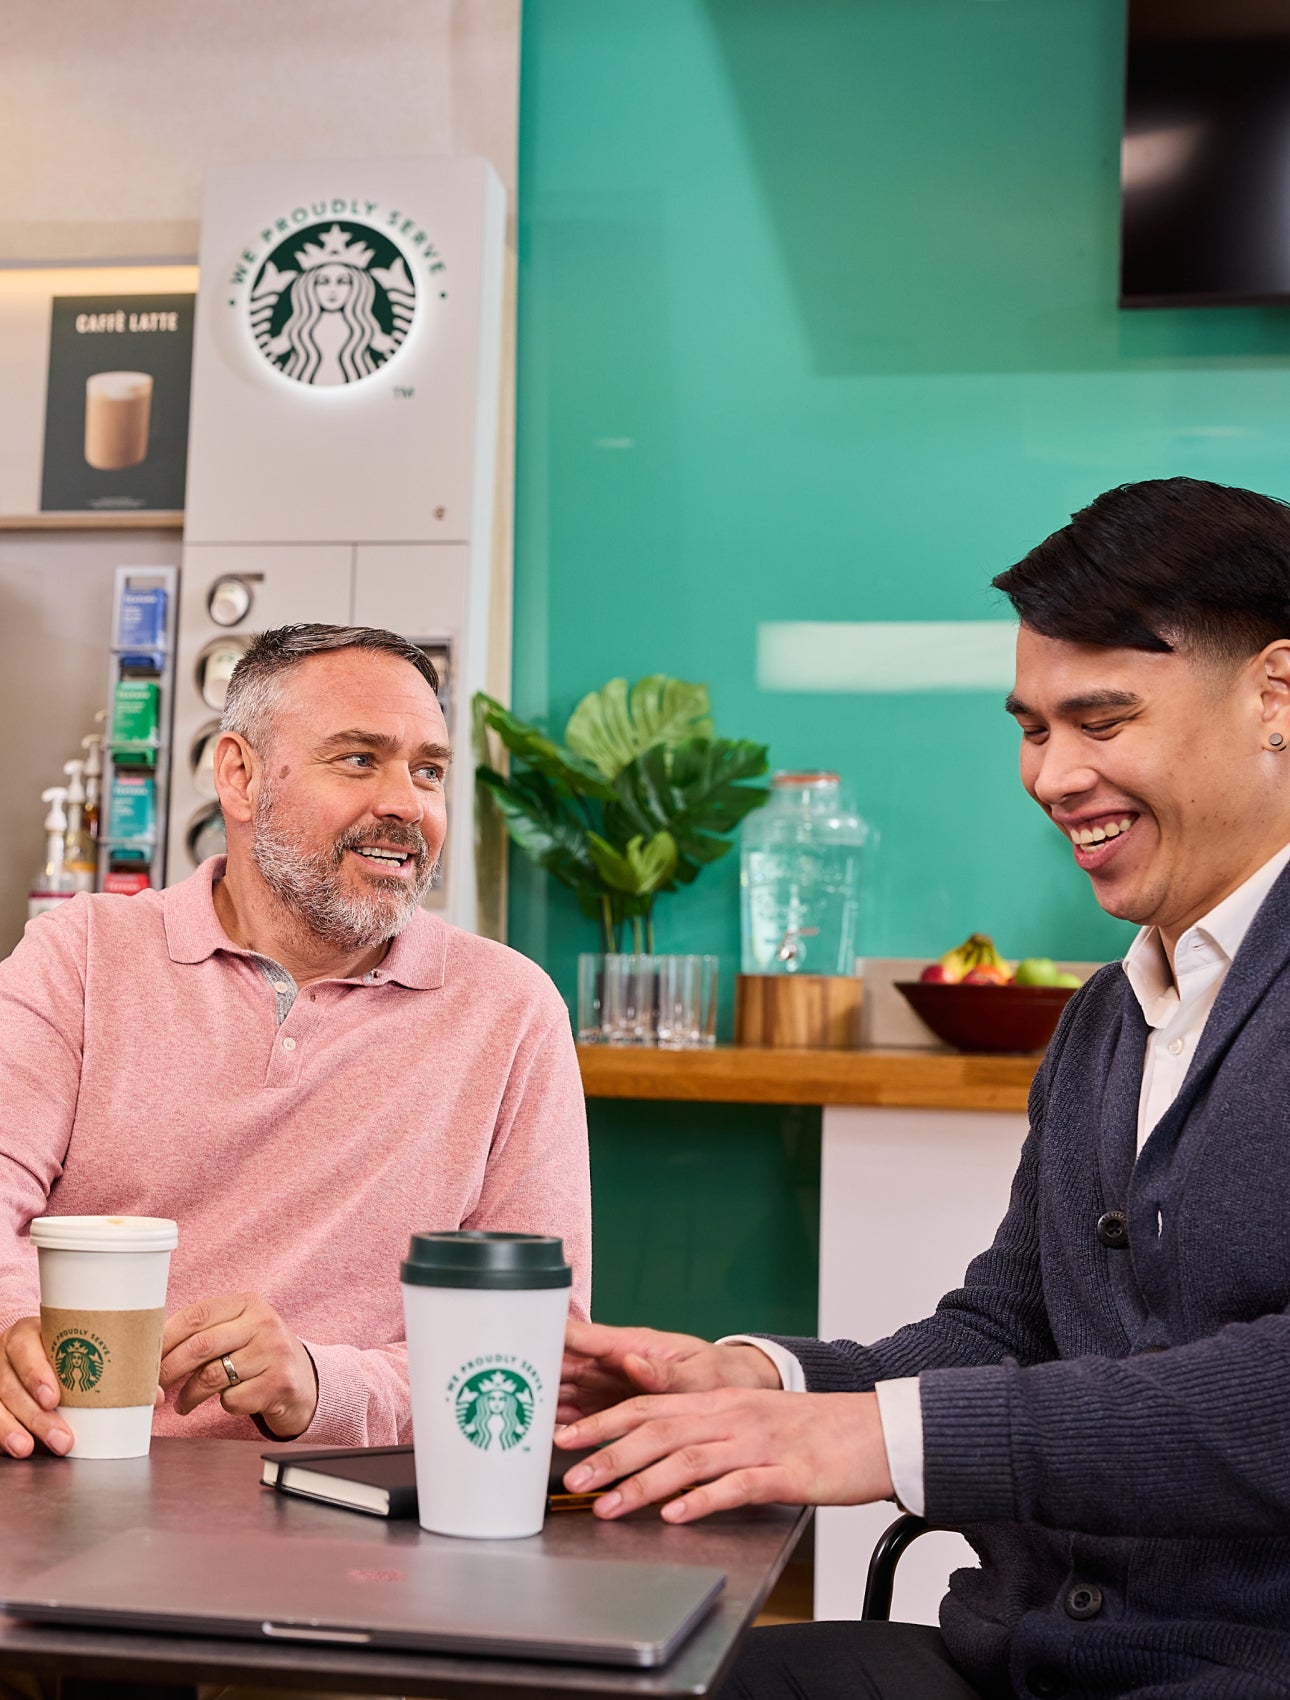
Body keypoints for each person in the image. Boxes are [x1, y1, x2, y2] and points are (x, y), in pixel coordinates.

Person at [556, 478, 1290, 1697]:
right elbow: (1008, 1328)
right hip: (1027, 1653)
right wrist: (761, 1377)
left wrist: (887, 1438)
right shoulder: (1111, 1017)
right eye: (1033, 725)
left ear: (1277, 693)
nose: (1051, 775)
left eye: (1101, 720)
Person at [0, 623, 590, 1458]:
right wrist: (13, 1338)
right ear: (239, 775)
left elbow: (535, 1354)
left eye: (428, 770)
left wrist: (321, 1384)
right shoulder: (81, 956)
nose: (405, 804)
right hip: (64, 1473)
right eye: (358, 760)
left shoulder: (509, 1010)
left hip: (351, 1514)